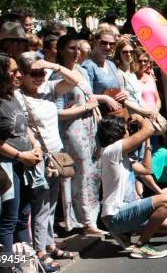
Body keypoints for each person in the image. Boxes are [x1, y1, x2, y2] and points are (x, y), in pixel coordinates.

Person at [17, 52, 82, 270]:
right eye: (34, 73)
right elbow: (23, 128)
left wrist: (52, 65)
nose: (40, 77)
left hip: (56, 153)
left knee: (53, 203)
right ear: (22, 75)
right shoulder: (19, 96)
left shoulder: (47, 88)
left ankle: (49, 243)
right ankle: (39, 251)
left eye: (42, 73)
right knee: (40, 204)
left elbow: (75, 81)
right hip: (39, 156)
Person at [0, 52, 41, 255]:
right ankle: (6, 266)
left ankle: (27, 265)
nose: (19, 74)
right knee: (9, 221)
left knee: (24, 217)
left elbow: (24, 126)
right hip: (7, 166)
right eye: (13, 71)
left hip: (25, 164)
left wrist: (35, 146)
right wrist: (20, 156)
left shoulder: (12, 95)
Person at [98, 114, 167, 258]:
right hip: (114, 215)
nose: (129, 131)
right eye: (126, 129)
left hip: (125, 211)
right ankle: (141, 245)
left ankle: (126, 232)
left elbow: (147, 169)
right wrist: (143, 120)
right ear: (117, 132)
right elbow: (147, 129)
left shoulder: (123, 156)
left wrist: (147, 142)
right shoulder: (111, 151)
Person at [55, 35, 107, 236]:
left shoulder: (83, 71)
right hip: (73, 130)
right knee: (80, 174)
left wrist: (94, 111)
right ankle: (83, 221)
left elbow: (91, 98)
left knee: (93, 172)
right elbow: (58, 112)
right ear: (60, 50)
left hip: (91, 127)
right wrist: (85, 107)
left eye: (78, 48)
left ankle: (91, 218)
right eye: (71, 48)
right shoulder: (56, 75)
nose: (76, 52)